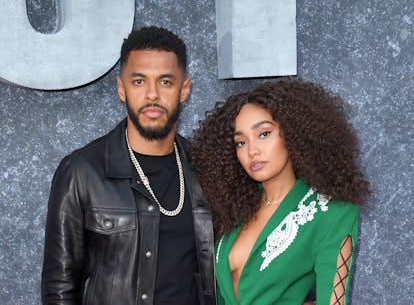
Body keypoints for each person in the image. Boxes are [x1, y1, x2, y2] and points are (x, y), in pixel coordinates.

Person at [41, 26, 217, 305]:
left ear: (184, 89)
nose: (152, 95)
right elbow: (59, 285)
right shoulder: (81, 172)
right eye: (138, 81)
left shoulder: (206, 169)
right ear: (121, 89)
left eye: (166, 82)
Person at [190, 78, 371, 305]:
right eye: (240, 142)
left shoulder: (332, 211)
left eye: (264, 134)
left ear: (292, 133)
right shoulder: (233, 208)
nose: (252, 151)